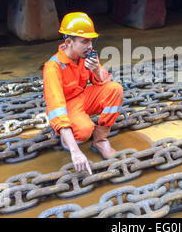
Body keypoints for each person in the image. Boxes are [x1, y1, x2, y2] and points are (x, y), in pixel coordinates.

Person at [43, 12, 123, 174]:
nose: (90, 45)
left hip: (82, 98)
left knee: (115, 89)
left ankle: (100, 140)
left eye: (91, 40)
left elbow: (104, 83)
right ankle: (68, 140)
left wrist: (95, 70)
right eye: (84, 41)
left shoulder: (88, 55)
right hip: (66, 106)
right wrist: (75, 151)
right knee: (84, 130)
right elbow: (56, 107)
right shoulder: (53, 67)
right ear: (68, 42)